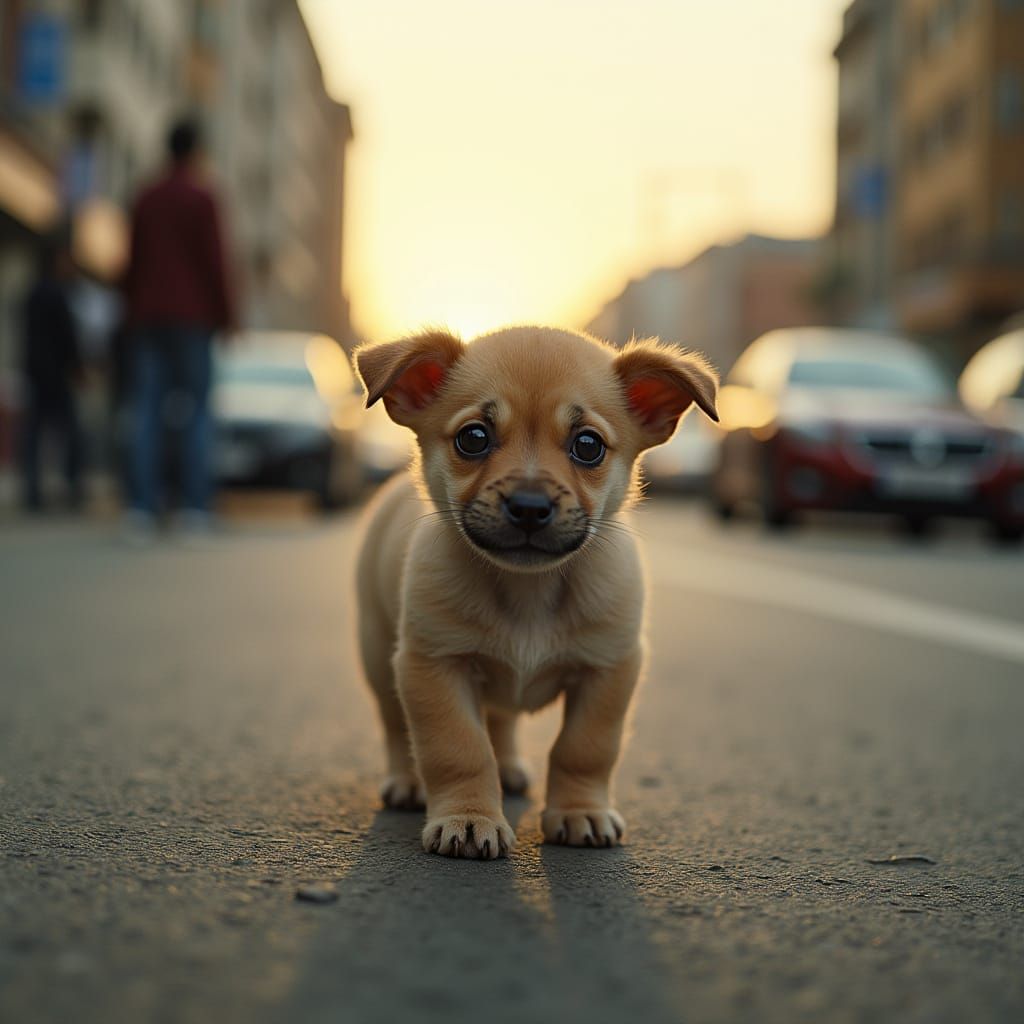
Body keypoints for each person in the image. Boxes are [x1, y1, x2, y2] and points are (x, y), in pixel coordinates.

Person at [123, 117, 236, 539]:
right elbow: (215, 261)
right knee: (198, 412)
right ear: (196, 151)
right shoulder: (202, 197)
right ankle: (194, 509)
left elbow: (133, 261)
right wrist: (227, 316)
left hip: (149, 317)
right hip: (193, 318)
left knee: (146, 411)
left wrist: (131, 310)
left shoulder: (145, 196)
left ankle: (141, 509)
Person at [19, 234, 84, 513]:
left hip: (37, 372)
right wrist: (77, 366)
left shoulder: (34, 292)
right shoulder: (56, 294)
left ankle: (33, 490)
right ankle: (71, 486)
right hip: (54, 373)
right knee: (69, 432)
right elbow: (67, 337)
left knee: (35, 433)